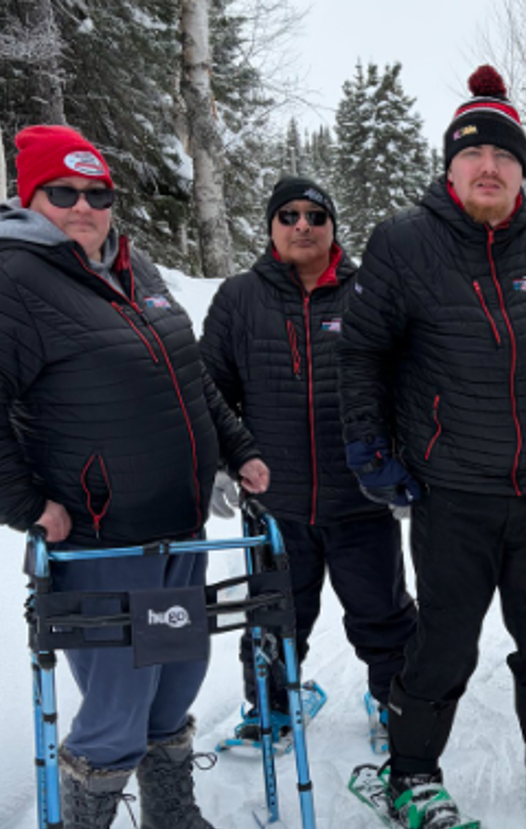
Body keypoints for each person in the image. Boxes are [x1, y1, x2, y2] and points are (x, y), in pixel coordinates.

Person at [0, 126, 269, 829]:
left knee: (176, 678)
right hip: (98, 543)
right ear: (31, 198)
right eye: (65, 192)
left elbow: (190, 382)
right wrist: (27, 507)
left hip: (177, 531)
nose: (84, 208)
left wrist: (237, 448)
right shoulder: (8, 283)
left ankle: (168, 815)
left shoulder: (134, 268)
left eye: (98, 194)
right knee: (119, 697)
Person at [338, 66, 526, 829]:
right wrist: (369, 447)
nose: (488, 168)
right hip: (450, 488)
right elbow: (361, 354)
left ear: (522, 169)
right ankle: (411, 773)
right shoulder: (402, 243)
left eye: (504, 156)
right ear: (450, 166)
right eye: (473, 155)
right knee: (447, 641)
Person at [201, 177, 418, 737]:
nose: (303, 226)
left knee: (383, 612)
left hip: (360, 497)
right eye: (289, 215)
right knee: (273, 615)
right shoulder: (238, 298)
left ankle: (393, 703)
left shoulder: (369, 291)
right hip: (275, 500)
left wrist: (405, 464)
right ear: (271, 226)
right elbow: (210, 392)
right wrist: (221, 462)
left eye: (316, 216)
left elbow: (407, 384)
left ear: (332, 227)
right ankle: (272, 708)